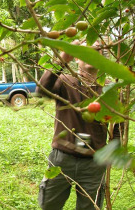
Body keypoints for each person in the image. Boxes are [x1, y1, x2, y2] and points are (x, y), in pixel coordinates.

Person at [36, 41, 120, 210]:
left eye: (96, 50)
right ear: (77, 58)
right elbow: (41, 91)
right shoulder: (65, 81)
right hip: (62, 159)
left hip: (94, 163)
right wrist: (60, 60)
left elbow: (117, 126)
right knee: (49, 205)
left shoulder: (110, 89)